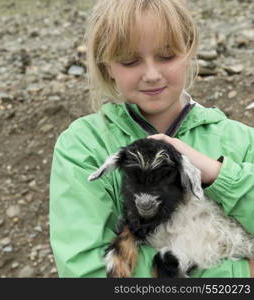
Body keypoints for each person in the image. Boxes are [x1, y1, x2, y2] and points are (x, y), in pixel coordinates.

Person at [49, 0, 254, 277]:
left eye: (167, 56)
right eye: (130, 61)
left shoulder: (239, 140)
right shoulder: (83, 147)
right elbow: (85, 270)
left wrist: (217, 173)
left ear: (189, 48)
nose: (152, 75)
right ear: (106, 64)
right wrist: (240, 275)